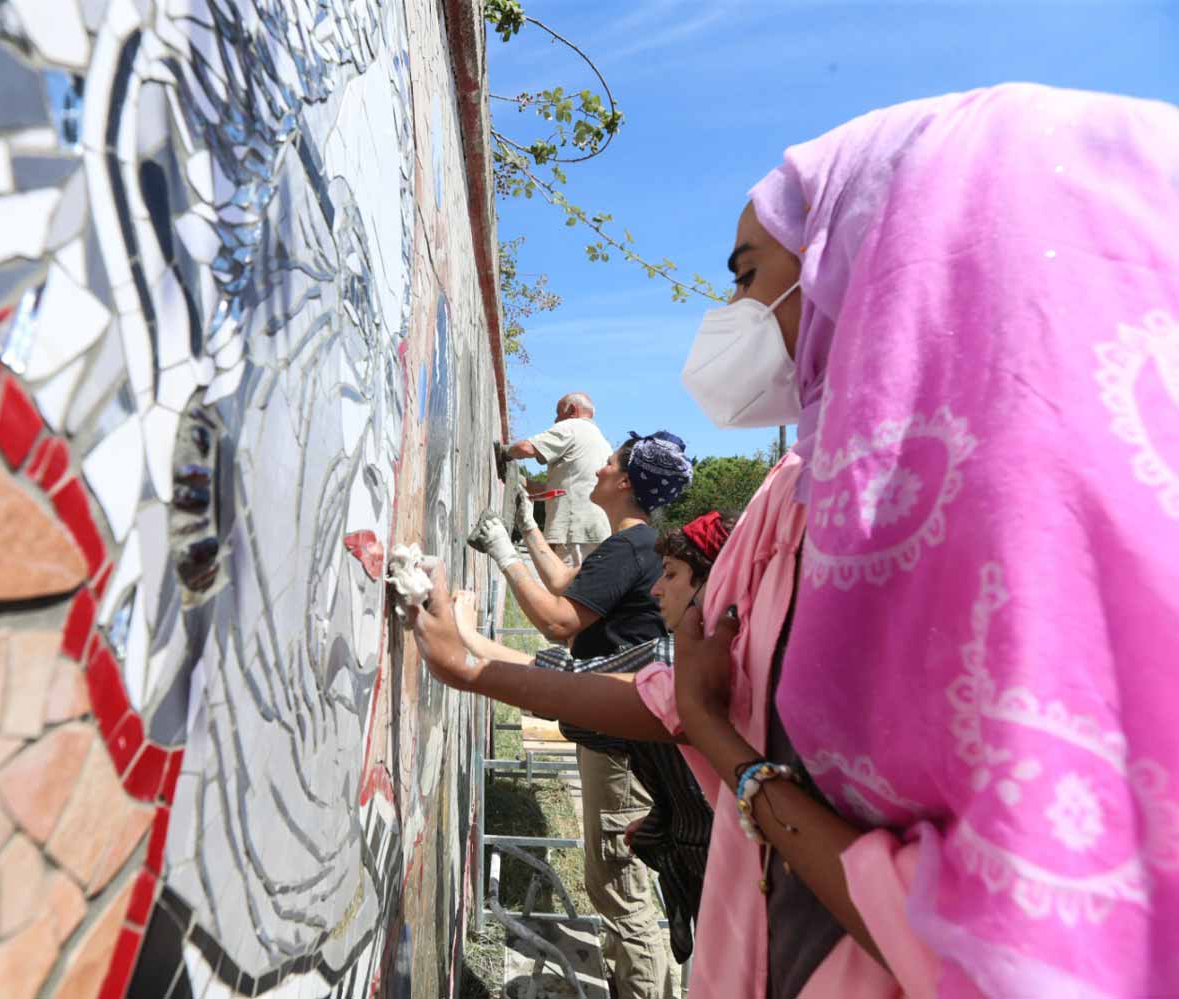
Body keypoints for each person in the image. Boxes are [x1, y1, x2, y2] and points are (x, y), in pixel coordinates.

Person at [418, 83, 1179, 997]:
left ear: (885, 262)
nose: (733, 309)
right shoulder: (791, 502)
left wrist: (737, 768)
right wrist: (476, 667)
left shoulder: (1043, 551)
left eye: (747, 274)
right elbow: (678, 692)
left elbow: (1002, 950)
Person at [469, 430, 693, 998]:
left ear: (625, 482)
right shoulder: (636, 546)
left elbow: (559, 622)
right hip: (623, 733)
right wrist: (526, 533)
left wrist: (502, 555)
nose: (597, 471)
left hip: (621, 743)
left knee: (618, 884)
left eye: (609, 464)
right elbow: (571, 587)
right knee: (616, 877)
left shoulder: (631, 546)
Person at [456, 513, 734, 967]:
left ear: (712, 584)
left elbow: (557, 648)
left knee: (624, 902)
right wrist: (660, 823)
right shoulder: (685, 662)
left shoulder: (675, 668)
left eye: (671, 575)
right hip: (712, 887)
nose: (655, 589)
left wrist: (462, 648)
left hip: (730, 888)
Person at [496, 392, 611, 566]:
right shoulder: (602, 442)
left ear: (572, 410)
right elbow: (554, 490)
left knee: (565, 589)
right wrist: (516, 479)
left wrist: (504, 452)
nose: (556, 420)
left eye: (558, 413)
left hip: (574, 533)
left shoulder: (572, 427)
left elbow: (526, 448)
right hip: (597, 533)